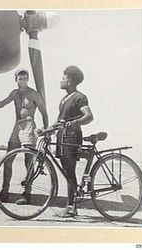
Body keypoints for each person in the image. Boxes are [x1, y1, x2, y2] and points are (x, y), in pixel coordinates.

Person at [0, 68, 48, 205]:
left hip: (29, 127)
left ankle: (27, 194)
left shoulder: (33, 94)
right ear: (16, 80)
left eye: (24, 78)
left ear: (27, 79)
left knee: (28, 163)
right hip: (17, 127)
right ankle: (4, 193)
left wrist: (46, 129)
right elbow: (2, 103)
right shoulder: (14, 93)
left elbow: (43, 112)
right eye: (20, 79)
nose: (22, 81)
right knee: (8, 160)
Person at [53, 65, 94, 217]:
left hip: (71, 137)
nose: (60, 81)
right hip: (62, 136)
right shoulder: (64, 99)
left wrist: (75, 122)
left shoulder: (79, 97)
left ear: (69, 81)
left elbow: (89, 116)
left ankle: (71, 207)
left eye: (63, 78)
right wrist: (47, 130)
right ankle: (72, 205)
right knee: (66, 172)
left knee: (69, 172)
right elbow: (60, 120)